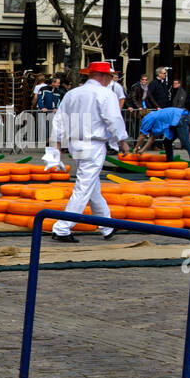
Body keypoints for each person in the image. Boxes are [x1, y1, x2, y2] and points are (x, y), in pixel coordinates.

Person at [44, 60, 128, 242]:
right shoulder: (106, 94)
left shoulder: (72, 94)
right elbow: (114, 119)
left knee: (91, 184)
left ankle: (107, 226)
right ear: (105, 76)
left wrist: (56, 148)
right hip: (94, 144)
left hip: (76, 144)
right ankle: (62, 227)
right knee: (84, 185)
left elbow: (58, 121)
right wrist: (121, 141)